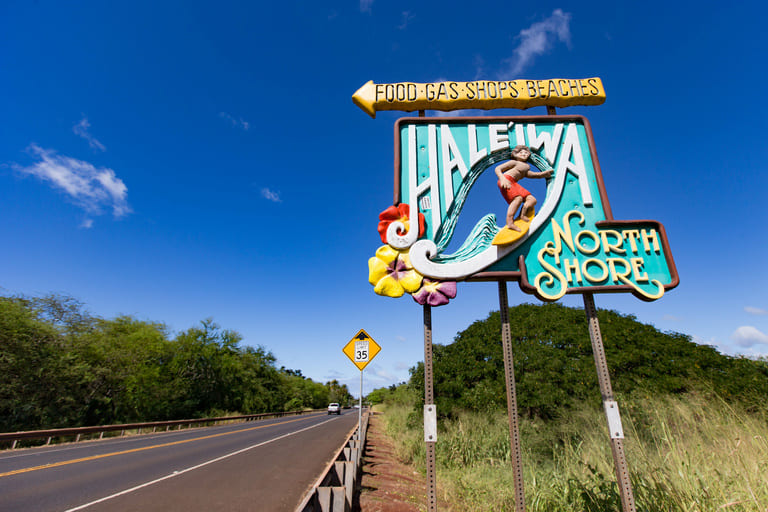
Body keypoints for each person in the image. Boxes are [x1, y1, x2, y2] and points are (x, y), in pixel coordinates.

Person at [494, 145, 553, 232]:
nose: (524, 154)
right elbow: (498, 168)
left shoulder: (525, 167)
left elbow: (533, 175)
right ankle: (509, 222)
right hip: (506, 180)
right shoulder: (514, 162)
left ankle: (522, 215)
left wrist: (544, 174)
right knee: (518, 198)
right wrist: (502, 179)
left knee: (532, 200)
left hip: (514, 183)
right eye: (521, 152)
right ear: (516, 154)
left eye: (526, 153)